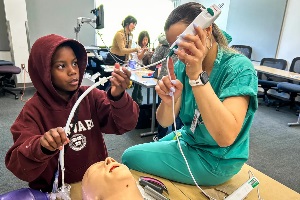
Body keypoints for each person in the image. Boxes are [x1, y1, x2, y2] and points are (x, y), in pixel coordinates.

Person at [122, 2, 258, 186]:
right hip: (189, 139)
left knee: (130, 157)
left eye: (183, 43)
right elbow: (163, 121)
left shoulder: (239, 68)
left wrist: (196, 76)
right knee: (139, 154)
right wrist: (169, 100)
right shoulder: (181, 66)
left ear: (207, 29)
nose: (179, 53)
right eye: (175, 48)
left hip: (216, 159)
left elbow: (225, 137)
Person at [5, 34, 139, 192]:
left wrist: (118, 97)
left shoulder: (90, 96)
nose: (72, 71)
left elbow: (125, 124)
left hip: (96, 184)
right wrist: (41, 146)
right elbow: (19, 165)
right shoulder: (33, 111)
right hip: (56, 191)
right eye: (61, 66)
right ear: (44, 72)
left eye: (75, 63)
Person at [151, 33, 182, 141]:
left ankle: (162, 136)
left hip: (166, 82)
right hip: (172, 82)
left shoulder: (163, 46)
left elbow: (153, 61)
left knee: (170, 107)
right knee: (175, 112)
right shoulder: (181, 66)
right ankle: (176, 137)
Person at [131, 31, 152, 105]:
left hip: (143, 68)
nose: (145, 42)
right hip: (137, 68)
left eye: (146, 40)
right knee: (137, 85)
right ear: (140, 40)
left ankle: (138, 100)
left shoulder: (147, 47)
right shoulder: (138, 47)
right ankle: (135, 100)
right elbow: (139, 57)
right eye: (143, 40)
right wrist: (144, 51)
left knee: (139, 86)